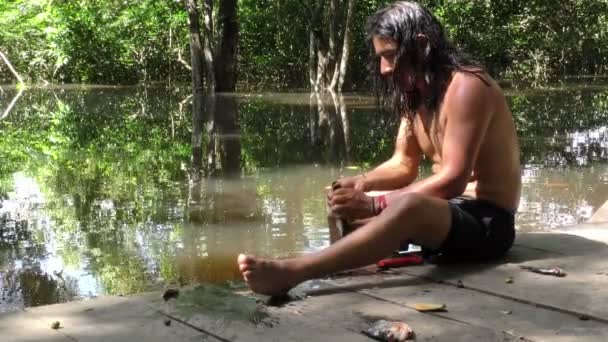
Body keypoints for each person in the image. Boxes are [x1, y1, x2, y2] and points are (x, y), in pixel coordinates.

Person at [237, 1, 521, 296]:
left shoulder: (468, 86)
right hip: (447, 215)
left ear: (421, 45)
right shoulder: (416, 95)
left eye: (390, 56)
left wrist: (375, 205)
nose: (384, 69)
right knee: (342, 198)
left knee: (406, 206)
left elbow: (454, 179)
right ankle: (349, 266)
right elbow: (403, 163)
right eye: (380, 58)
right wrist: (360, 184)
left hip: (488, 224)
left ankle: (295, 272)